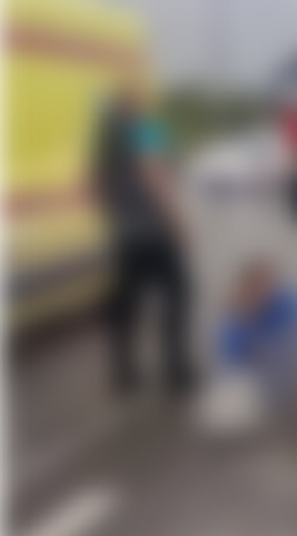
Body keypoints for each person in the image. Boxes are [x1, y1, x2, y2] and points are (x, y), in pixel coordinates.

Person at [93, 85, 192, 393]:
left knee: (127, 302)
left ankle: (124, 372)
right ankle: (175, 370)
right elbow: (153, 173)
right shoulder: (144, 131)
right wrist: (175, 220)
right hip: (155, 231)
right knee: (177, 296)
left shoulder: (107, 141)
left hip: (125, 233)